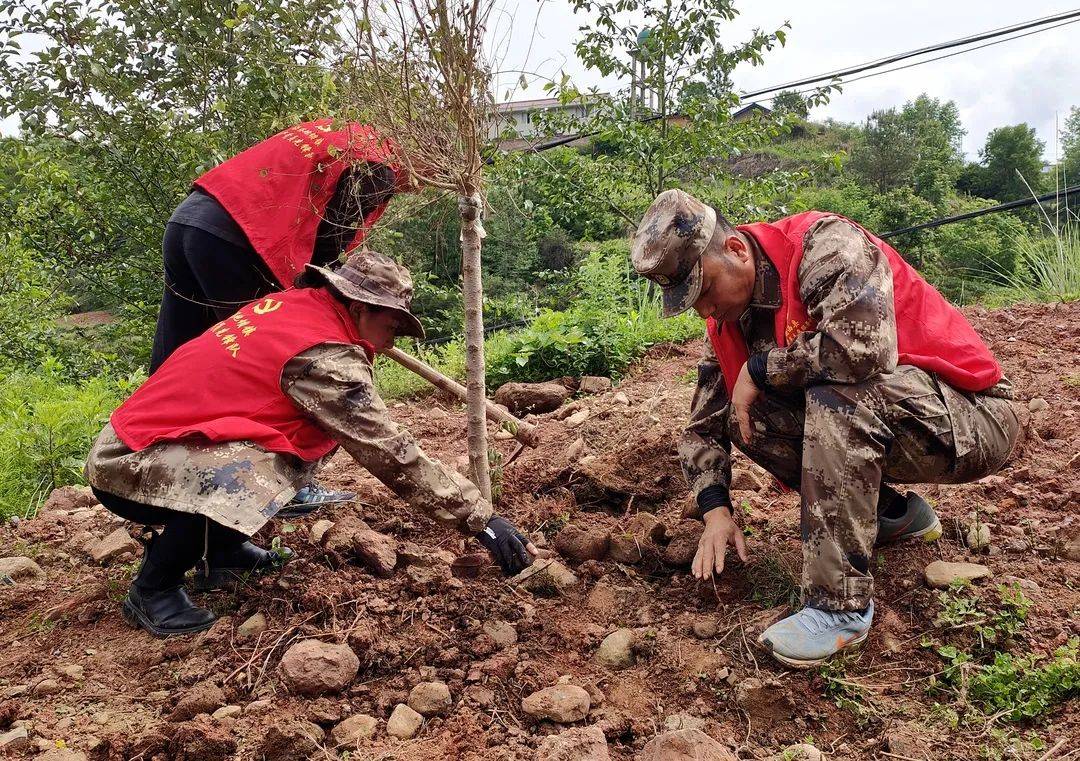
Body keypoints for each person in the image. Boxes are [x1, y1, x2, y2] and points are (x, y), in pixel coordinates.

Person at [630, 189, 1020, 668]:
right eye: (691, 303)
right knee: (746, 412)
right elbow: (703, 428)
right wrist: (714, 509)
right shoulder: (731, 322)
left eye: (706, 291)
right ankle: (894, 516)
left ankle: (838, 608)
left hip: (976, 415)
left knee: (835, 394)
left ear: (734, 250)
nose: (705, 312)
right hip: (907, 416)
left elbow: (860, 352)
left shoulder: (823, 246)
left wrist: (761, 369)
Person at [86, 250, 536, 637]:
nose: (392, 340)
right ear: (362, 307)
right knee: (255, 474)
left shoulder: (296, 306)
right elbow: (388, 451)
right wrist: (481, 518)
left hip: (151, 439)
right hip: (130, 460)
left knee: (289, 448)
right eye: (393, 326)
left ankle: (221, 551)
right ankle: (154, 587)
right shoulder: (324, 356)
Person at [152, 119, 406, 513]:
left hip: (190, 221)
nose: (416, 189)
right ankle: (276, 487)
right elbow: (332, 237)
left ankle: (149, 467)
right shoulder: (380, 164)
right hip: (242, 241)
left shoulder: (345, 132)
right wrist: (327, 301)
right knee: (265, 367)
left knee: (181, 357)